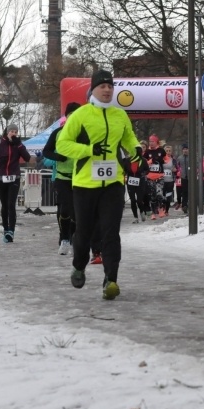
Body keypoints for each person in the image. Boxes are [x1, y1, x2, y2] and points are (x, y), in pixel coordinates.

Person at [56, 69, 140, 301]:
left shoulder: (119, 115)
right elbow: (62, 145)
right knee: (84, 231)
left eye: (110, 86)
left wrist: (136, 151)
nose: (107, 90)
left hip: (113, 182)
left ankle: (111, 280)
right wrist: (89, 150)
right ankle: (79, 265)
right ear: (93, 89)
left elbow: (128, 138)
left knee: (111, 232)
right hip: (85, 184)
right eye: (102, 86)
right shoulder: (81, 115)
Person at [43, 102, 81, 254]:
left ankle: (73, 238)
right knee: (65, 209)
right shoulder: (58, 133)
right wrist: (58, 157)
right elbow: (46, 152)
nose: (74, 118)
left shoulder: (84, 134)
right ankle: (64, 239)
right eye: (71, 115)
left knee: (77, 212)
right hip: (62, 177)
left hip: (80, 177)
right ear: (67, 117)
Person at [0, 123, 30, 243]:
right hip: (1, 178)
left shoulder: (18, 145)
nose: (13, 134)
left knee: (11, 204)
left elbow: (27, 158)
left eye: (16, 132)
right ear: (7, 132)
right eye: (12, 132)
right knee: (4, 205)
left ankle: (11, 231)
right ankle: (5, 229)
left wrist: (19, 145)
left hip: (14, 178)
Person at [143, 135, 166, 219]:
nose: (151, 143)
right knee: (152, 195)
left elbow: (166, 159)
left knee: (159, 194)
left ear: (156, 142)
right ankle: (153, 212)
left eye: (152, 141)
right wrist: (149, 162)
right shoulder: (147, 152)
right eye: (150, 141)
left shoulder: (161, 150)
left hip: (159, 176)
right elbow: (144, 162)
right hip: (150, 177)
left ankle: (161, 209)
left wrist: (158, 160)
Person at [126, 146, 150, 222]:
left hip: (140, 182)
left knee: (139, 200)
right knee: (133, 200)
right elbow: (124, 169)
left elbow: (147, 170)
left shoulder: (143, 160)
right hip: (131, 182)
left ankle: (142, 212)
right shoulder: (128, 160)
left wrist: (143, 173)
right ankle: (135, 217)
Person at [177, 144, 190, 212]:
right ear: (182, 150)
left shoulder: (191, 157)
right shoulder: (180, 158)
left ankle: (191, 204)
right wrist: (178, 171)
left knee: (191, 191)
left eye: (186, 149)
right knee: (184, 191)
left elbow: (196, 165)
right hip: (183, 177)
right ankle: (184, 205)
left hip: (191, 177)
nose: (185, 150)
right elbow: (177, 166)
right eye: (184, 149)